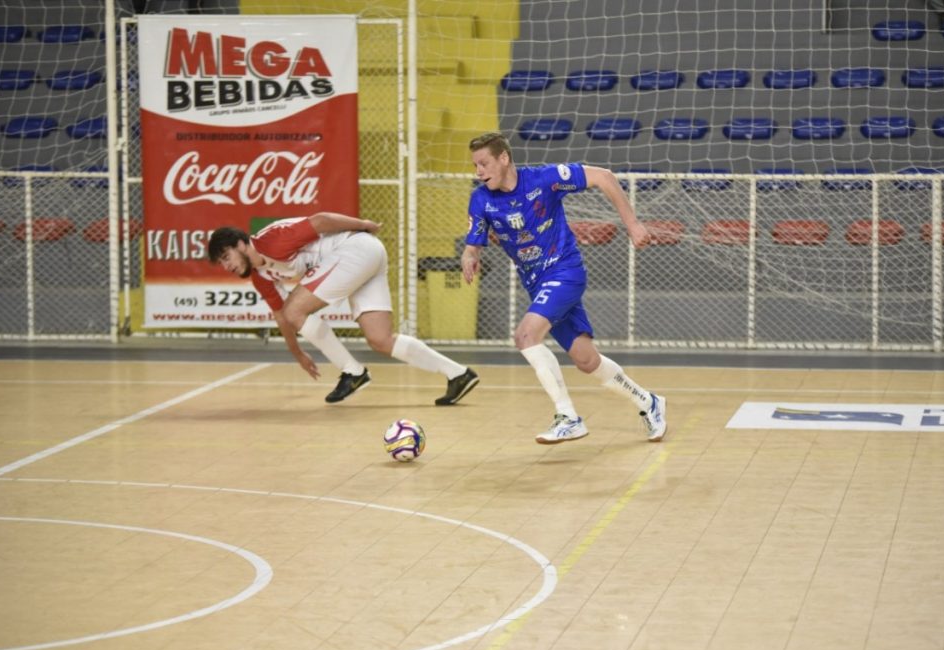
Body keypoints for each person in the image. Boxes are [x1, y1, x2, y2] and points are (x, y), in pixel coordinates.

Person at [461, 132, 666, 445]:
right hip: (535, 283)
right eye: (475, 165)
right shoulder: (481, 198)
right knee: (586, 360)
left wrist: (633, 225)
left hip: (564, 271)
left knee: (525, 335)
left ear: (504, 158)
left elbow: (604, 177)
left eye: (484, 163)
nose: (479, 171)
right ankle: (649, 402)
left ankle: (568, 417)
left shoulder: (544, 180)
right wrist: (469, 256)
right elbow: (474, 243)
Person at [207, 213, 479, 406]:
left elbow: (321, 220)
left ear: (241, 244)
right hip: (366, 256)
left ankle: (353, 372)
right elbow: (281, 316)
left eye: (226, 257)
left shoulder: (272, 240)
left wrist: (364, 224)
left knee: (295, 310)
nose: (227, 266)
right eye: (221, 263)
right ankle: (459, 374)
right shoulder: (260, 275)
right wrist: (298, 353)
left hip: (356, 248)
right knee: (380, 339)